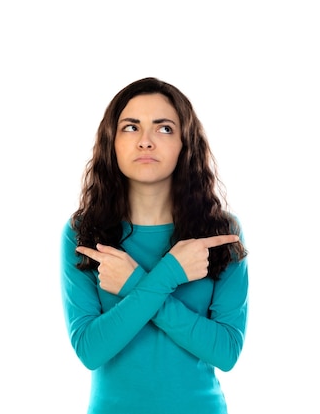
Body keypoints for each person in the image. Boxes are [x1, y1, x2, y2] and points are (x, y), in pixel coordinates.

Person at [60, 77, 249, 414]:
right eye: (131, 128)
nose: (146, 141)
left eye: (164, 129)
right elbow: (90, 350)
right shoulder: (82, 234)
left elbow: (226, 351)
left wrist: (135, 283)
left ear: (184, 144)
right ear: (112, 142)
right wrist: (168, 275)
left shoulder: (220, 232)